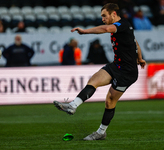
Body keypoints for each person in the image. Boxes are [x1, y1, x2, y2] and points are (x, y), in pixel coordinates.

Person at [53, 3, 146, 141]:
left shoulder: (121, 25)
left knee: (109, 101)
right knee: (93, 81)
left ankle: (101, 132)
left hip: (127, 72)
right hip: (116, 65)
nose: (102, 18)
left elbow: (106, 28)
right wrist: (140, 58)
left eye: (104, 15)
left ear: (114, 13)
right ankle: (72, 106)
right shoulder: (125, 27)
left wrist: (85, 31)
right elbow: (135, 41)